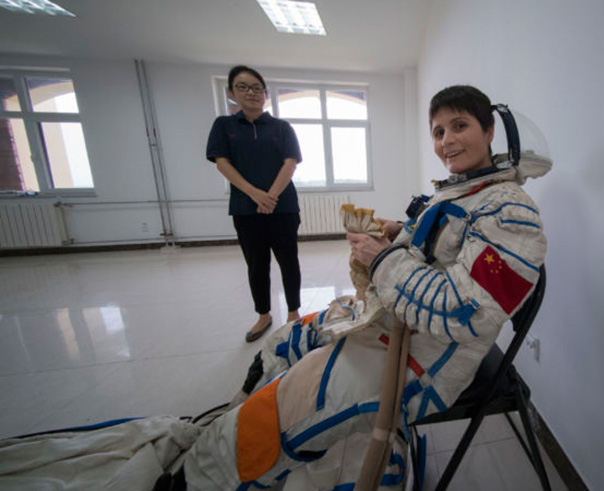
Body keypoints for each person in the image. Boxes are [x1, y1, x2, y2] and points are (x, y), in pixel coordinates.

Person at [177, 85, 550, 489]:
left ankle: (198, 478)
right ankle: (224, 431)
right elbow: (437, 250)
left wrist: (383, 258)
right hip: (393, 324)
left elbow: (468, 312)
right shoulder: (470, 190)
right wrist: (398, 233)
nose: (447, 141)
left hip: (424, 361)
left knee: (285, 408)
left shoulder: (511, 212)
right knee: (284, 343)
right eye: (439, 132)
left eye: (460, 126)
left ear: (490, 131)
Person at [206, 65, 303, 342]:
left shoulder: (281, 128)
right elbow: (222, 163)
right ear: (230, 92)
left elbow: (290, 163)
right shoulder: (224, 126)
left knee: (288, 260)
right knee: (256, 264)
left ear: (265, 93)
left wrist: (270, 195)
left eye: (256, 87)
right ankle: (263, 315)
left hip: (283, 206)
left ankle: (294, 312)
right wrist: (255, 194)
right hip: (246, 209)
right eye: (242, 87)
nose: (251, 92)